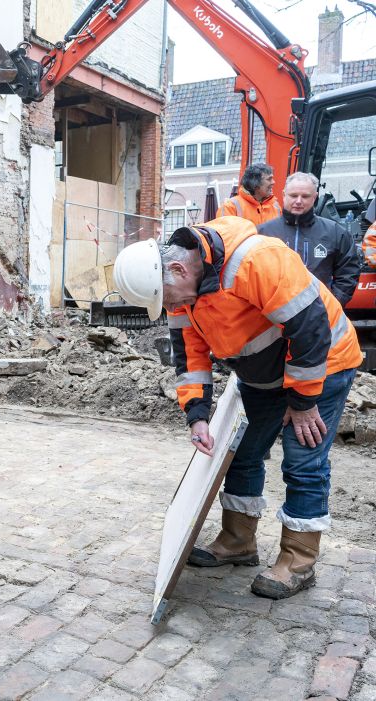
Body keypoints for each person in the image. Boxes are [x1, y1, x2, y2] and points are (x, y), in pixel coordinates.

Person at [113, 215, 362, 599]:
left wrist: (303, 402)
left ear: (179, 268)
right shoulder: (183, 288)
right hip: (265, 374)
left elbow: (311, 330)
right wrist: (196, 415)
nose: (172, 307)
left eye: (170, 299)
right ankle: (237, 541)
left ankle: (298, 562)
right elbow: (190, 355)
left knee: (302, 459)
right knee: (242, 453)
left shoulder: (256, 261)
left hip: (323, 367)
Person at [258, 172, 359, 307]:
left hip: (319, 316)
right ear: (283, 195)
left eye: (305, 196)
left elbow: (348, 272)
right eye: (293, 195)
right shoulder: (263, 232)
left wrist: (332, 304)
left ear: (315, 197)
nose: (298, 201)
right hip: (273, 315)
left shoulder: (334, 232)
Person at [217, 163, 282, 226]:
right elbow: (226, 235)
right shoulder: (230, 207)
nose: (273, 182)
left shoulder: (276, 207)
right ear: (255, 184)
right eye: (269, 179)